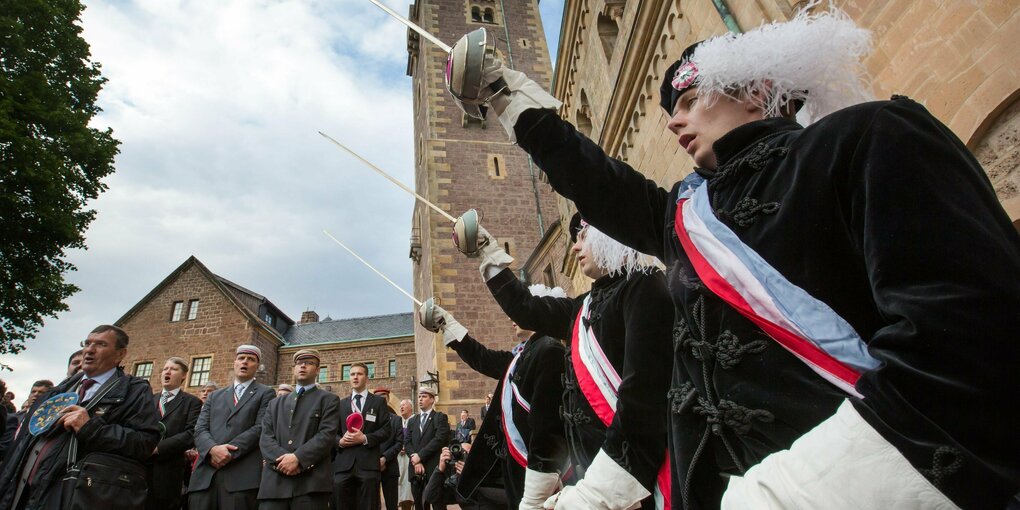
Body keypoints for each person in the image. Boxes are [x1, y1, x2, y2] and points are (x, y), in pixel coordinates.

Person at [445, 7, 1020, 509]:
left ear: (753, 90)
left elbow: (968, 338)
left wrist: (779, 497)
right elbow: (601, 184)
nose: (673, 120)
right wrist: (505, 92)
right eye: (672, 107)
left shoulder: (869, 137)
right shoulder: (686, 215)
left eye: (691, 100)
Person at [453, 214, 673, 509]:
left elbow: (642, 397)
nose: (575, 248)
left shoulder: (644, 286)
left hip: (636, 474)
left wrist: (596, 492)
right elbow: (526, 307)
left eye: (583, 238)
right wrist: (486, 253)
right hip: (592, 468)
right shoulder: (581, 306)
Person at [421, 286, 568, 509]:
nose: (513, 316)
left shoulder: (549, 350)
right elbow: (483, 358)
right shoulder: (521, 354)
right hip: (513, 459)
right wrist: (447, 323)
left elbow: (546, 423)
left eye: (523, 309)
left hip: (533, 459)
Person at [0, 325, 161, 510]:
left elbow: (144, 443)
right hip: (21, 493)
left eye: (100, 344)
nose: (90, 350)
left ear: (120, 355)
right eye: (87, 343)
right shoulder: (58, 390)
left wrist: (91, 428)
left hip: (72, 495)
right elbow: (22, 444)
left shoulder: (134, 391)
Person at [188, 345, 275, 510]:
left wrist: (228, 452)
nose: (245, 362)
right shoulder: (215, 396)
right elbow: (200, 429)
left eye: (251, 360)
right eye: (241, 358)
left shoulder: (265, 393)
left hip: (240, 478)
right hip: (205, 477)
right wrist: (212, 449)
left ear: (257, 366)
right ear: (234, 362)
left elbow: (260, 427)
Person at [257, 349, 340, 510]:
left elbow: (326, 436)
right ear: (294, 368)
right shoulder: (275, 404)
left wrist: (298, 459)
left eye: (309, 363)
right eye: (299, 363)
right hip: (274, 485)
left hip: (310, 485)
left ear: (317, 370)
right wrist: (283, 460)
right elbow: (266, 438)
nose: (303, 366)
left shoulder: (328, 400)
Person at [332, 362, 393, 510]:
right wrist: (340, 441)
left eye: (359, 374)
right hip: (343, 465)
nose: (355, 377)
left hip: (368, 464)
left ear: (367, 377)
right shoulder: (340, 404)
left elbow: (386, 430)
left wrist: (365, 438)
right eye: (352, 374)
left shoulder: (378, 402)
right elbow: (331, 432)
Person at [147, 357, 203, 510]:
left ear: (184, 375)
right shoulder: (148, 400)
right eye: (165, 369)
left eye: (173, 369)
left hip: (169, 471)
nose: (167, 371)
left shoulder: (192, 403)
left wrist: (159, 448)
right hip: (141, 468)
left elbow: (191, 433)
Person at [422, 443, 507, 509]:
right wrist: (440, 469)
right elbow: (430, 497)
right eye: (460, 455)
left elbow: (505, 498)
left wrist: (471, 478)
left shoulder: (490, 473)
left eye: (466, 454)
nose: (463, 458)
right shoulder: (456, 483)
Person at [406, 387, 449, 510]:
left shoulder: (440, 417)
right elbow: (407, 442)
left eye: (424, 396)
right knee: (419, 504)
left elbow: (439, 439)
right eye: (419, 396)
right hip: (415, 469)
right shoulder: (412, 420)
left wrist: (420, 456)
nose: (420, 399)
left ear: (432, 400)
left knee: (438, 504)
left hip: (433, 468)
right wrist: (416, 460)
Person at [377, 390, 403, 510]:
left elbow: (399, 443)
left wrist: (385, 458)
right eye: (378, 398)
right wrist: (375, 460)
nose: (381, 401)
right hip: (371, 467)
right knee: (371, 503)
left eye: (383, 398)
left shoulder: (396, 420)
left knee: (392, 504)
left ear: (387, 400)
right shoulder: (368, 418)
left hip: (390, 466)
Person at [396, 399, 415, 510]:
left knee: (408, 485)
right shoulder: (399, 422)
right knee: (400, 484)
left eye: (404, 405)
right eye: (400, 405)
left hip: (410, 457)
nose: (401, 407)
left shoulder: (415, 420)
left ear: (411, 407)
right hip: (399, 457)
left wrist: (408, 448)